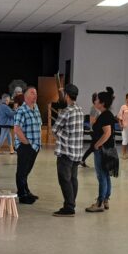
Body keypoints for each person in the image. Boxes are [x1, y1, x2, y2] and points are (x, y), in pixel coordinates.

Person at [52, 84, 84, 217]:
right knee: (73, 179)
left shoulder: (66, 112)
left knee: (64, 179)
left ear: (67, 96)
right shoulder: (80, 110)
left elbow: (54, 130)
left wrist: (62, 135)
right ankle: (72, 203)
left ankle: (69, 207)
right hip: (77, 152)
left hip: (66, 151)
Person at [86, 90, 115, 213]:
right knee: (106, 174)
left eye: (97, 100)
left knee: (101, 175)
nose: (95, 102)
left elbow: (107, 132)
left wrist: (97, 144)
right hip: (107, 148)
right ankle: (105, 199)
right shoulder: (106, 114)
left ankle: (99, 202)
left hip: (103, 150)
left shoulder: (105, 115)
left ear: (102, 103)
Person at [13, 86, 42, 204]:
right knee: (22, 171)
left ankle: (26, 190)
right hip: (26, 146)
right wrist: (26, 143)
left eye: (36, 93)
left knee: (26, 171)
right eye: (32, 93)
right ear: (25, 96)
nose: (35, 95)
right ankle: (22, 195)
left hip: (35, 146)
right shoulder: (21, 110)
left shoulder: (36, 108)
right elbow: (16, 129)